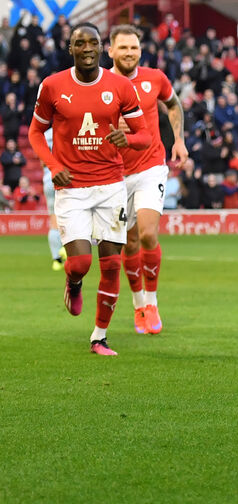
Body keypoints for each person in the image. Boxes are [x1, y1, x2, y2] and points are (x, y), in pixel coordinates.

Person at [28, 22, 152, 355]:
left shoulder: (121, 87)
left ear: (101, 48)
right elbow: (35, 134)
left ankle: (99, 336)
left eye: (92, 42)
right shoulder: (52, 86)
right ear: (70, 49)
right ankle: (73, 281)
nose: (86, 48)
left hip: (111, 184)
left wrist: (127, 138)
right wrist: (53, 166)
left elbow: (145, 136)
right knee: (81, 262)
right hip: (72, 188)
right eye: (79, 43)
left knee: (111, 263)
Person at [108, 24, 189, 335]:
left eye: (134, 48)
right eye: (123, 48)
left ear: (140, 50)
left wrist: (178, 140)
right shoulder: (100, 84)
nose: (129, 53)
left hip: (150, 165)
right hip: (114, 173)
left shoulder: (154, 78)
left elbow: (173, 104)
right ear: (111, 50)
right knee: (127, 243)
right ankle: (138, 303)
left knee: (147, 235)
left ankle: (152, 302)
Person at [40, 128, 68, 270]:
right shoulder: (66, 130)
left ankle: (56, 260)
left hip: (47, 178)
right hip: (63, 176)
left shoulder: (45, 135)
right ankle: (66, 248)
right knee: (70, 215)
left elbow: (42, 162)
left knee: (53, 220)